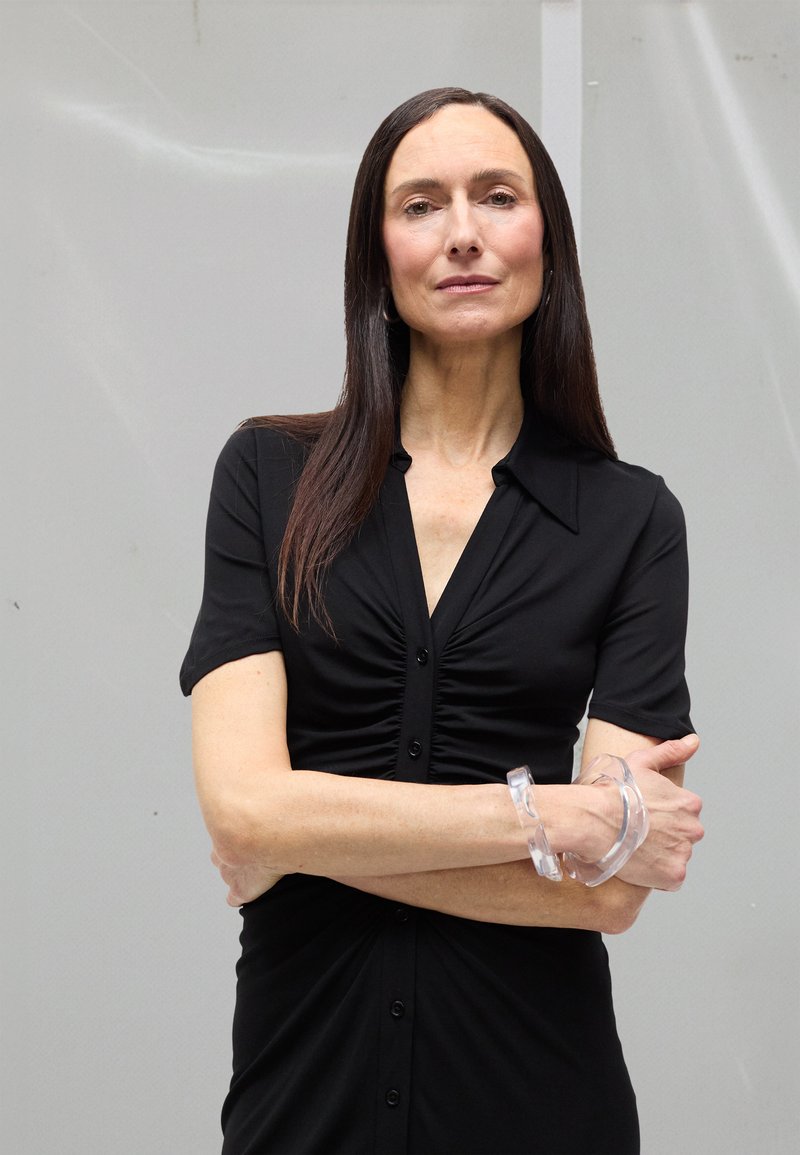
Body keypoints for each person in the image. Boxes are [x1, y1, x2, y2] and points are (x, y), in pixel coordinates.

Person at [180, 87, 704, 1155]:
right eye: (420, 204)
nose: (461, 231)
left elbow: (605, 899)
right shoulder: (264, 477)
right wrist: (548, 822)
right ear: (375, 257)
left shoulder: (629, 518)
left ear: (544, 242)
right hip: (302, 1096)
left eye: (495, 196)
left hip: (537, 1101)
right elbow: (240, 816)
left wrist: (302, 839)